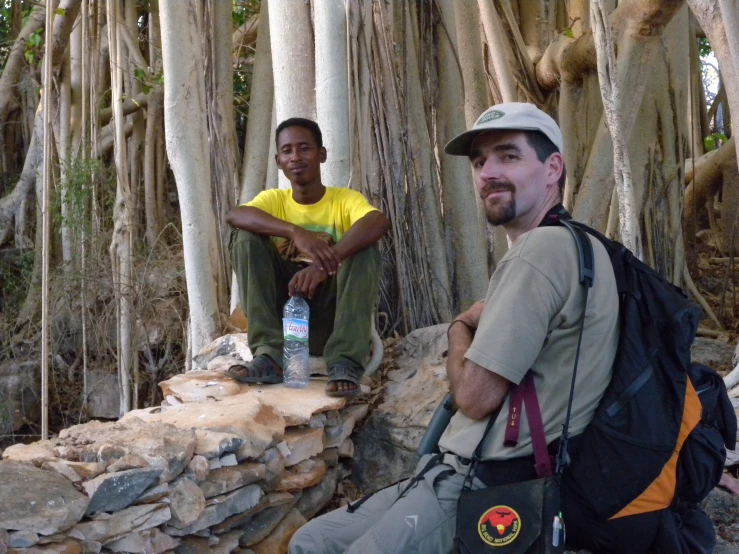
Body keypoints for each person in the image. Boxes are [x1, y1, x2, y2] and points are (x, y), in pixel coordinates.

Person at [288, 102, 621, 553]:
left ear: (552, 168)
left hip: (489, 482)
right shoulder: (587, 245)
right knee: (314, 539)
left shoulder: (538, 254)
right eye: (481, 162)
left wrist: (459, 327)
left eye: (508, 155)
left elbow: (475, 397)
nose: (487, 173)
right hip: (451, 470)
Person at [226, 117, 390, 398]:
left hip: (330, 320)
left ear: (322, 154)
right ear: (278, 161)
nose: (296, 157)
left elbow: (378, 221)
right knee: (245, 237)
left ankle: (345, 361)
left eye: (304, 148)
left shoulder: (343, 200)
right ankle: (270, 356)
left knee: (364, 247)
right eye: (287, 151)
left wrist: (325, 266)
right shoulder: (273, 200)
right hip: (285, 320)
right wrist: (295, 231)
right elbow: (235, 216)